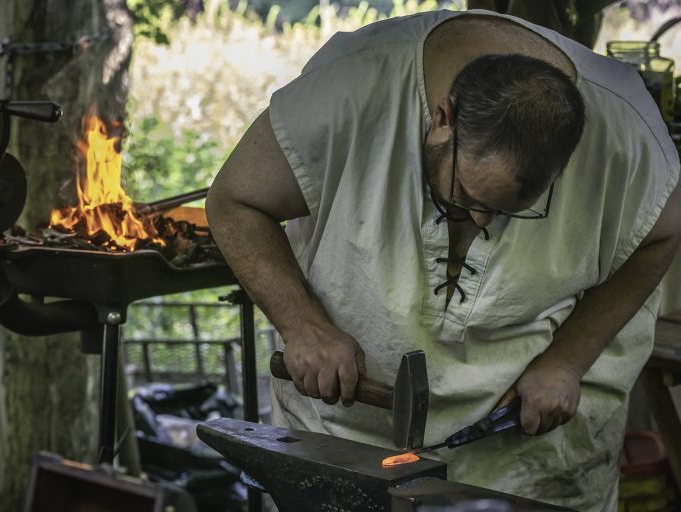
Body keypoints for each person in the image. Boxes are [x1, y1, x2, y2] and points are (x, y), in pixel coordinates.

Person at [205, 8, 681, 511]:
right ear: (442, 118)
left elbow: (660, 235)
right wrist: (303, 327)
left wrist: (568, 359)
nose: (480, 221)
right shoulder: (350, 87)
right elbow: (235, 202)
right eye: (467, 195)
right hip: (348, 439)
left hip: (530, 455)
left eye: (507, 211)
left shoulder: (627, 139)